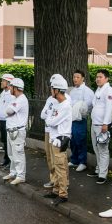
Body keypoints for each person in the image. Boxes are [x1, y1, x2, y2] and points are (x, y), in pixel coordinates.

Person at [41, 74, 73, 205]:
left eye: (52, 88)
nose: (51, 91)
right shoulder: (57, 104)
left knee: (60, 167)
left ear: (57, 90)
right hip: (54, 139)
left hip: (60, 140)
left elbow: (52, 122)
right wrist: (50, 120)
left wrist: (50, 120)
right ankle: (55, 190)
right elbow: (48, 119)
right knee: (56, 165)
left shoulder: (65, 106)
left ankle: (63, 194)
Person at [88, 69, 112, 184]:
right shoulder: (99, 89)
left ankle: (103, 174)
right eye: (97, 77)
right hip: (95, 123)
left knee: (103, 150)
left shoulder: (109, 90)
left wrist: (105, 123)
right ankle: (98, 169)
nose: (97, 79)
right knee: (96, 148)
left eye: (100, 77)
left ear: (106, 78)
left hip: (102, 125)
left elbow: (109, 108)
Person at [1, 77, 29, 185]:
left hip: (17, 131)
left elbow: (8, 111)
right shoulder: (15, 99)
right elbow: (7, 110)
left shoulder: (21, 99)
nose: (9, 88)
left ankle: (21, 175)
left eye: (11, 86)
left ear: (16, 88)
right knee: (11, 154)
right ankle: (13, 173)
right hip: (11, 130)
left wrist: (9, 109)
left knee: (18, 154)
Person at [68, 70, 95, 172]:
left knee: (80, 140)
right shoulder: (72, 91)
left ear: (83, 78)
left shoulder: (87, 91)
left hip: (80, 119)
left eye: (77, 77)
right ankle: (74, 159)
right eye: (74, 77)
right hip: (71, 118)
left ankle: (82, 162)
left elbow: (88, 104)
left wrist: (78, 107)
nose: (75, 79)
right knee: (73, 140)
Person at [0, 73, 15, 168]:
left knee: (9, 143)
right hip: (2, 120)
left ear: (8, 82)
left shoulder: (11, 95)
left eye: (3, 80)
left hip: (8, 121)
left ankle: (9, 161)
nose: (1, 82)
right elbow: (1, 106)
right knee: (5, 142)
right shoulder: (3, 93)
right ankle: (6, 159)